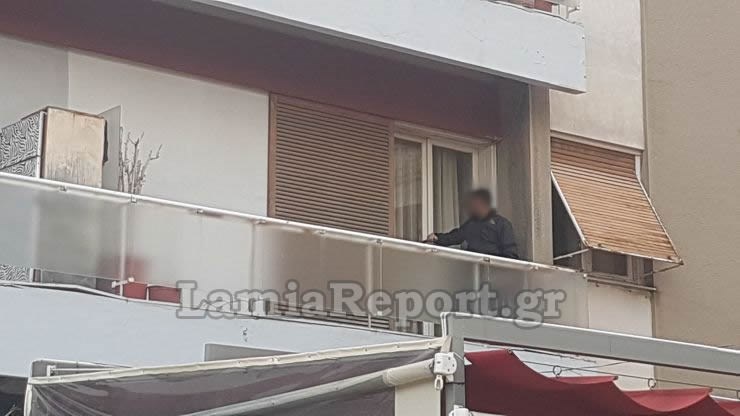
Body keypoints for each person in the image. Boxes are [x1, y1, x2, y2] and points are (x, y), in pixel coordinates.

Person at [425, 189, 519, 259]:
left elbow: (510, 254)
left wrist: (502, 270)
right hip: (473, 269)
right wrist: (437, 237)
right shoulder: (472, 224)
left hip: (495, 270)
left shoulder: (502, 224)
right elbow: (456, 236)